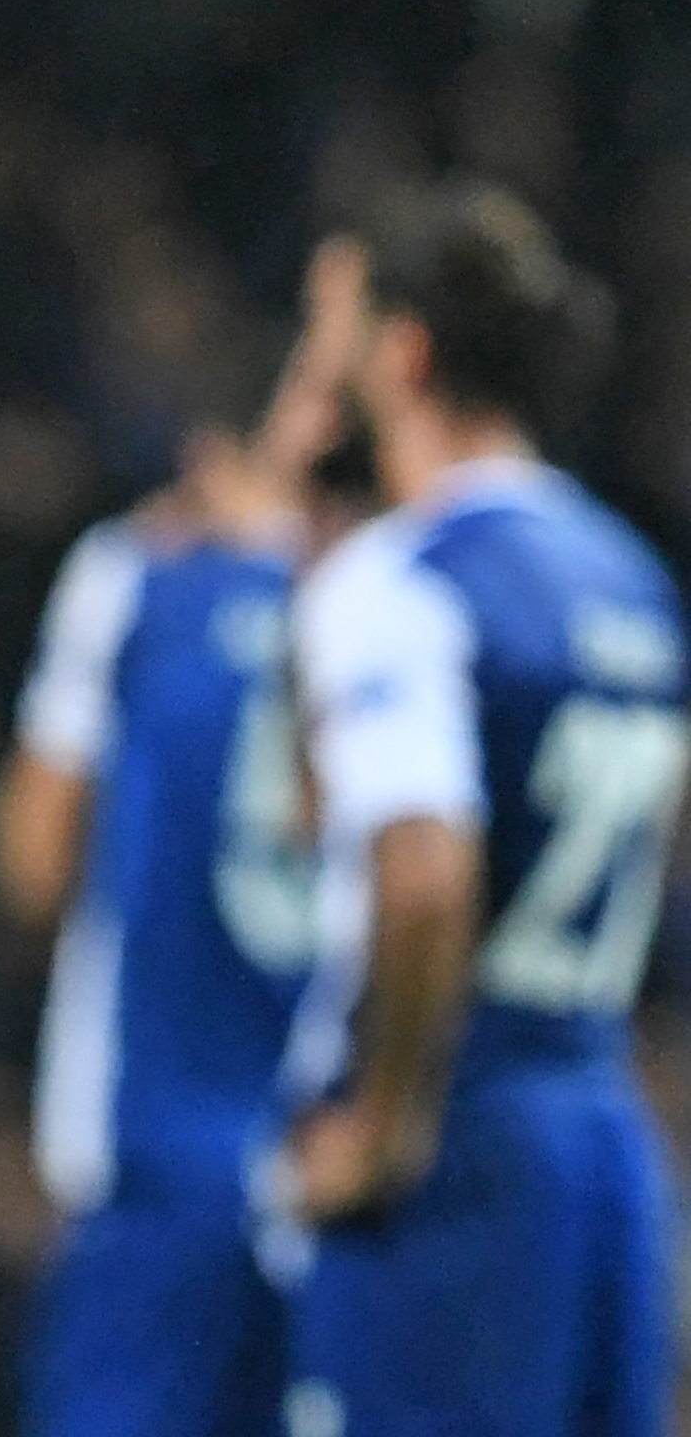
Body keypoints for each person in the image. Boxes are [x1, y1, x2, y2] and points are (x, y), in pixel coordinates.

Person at [273, 184, 679, 1437]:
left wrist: (389, 1128)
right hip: (604, 1127)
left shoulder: (404, 580)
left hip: (468, 1137)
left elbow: (425, 867)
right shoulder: (628, 573)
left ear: (404, 351)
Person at [0, 245, 366, 1437]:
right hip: (334, 1160)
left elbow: (33, 861)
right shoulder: (390, 599)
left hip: (149, 1153)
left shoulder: (131, 578)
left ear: (211, 449)